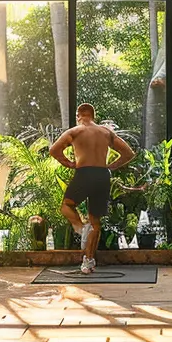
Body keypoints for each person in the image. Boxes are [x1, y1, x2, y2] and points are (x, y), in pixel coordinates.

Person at [49, 103, 136, 273]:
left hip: (84, 173)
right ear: (93, 116)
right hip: (103, 175)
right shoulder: (106, 132)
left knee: (66, 205)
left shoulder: (75, 131)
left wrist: (69, 163)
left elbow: (54, 150)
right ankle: (88, 262)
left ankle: (81, 228)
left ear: (78, 115)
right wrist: (111, 166)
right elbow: (128, 153)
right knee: (95, 222)